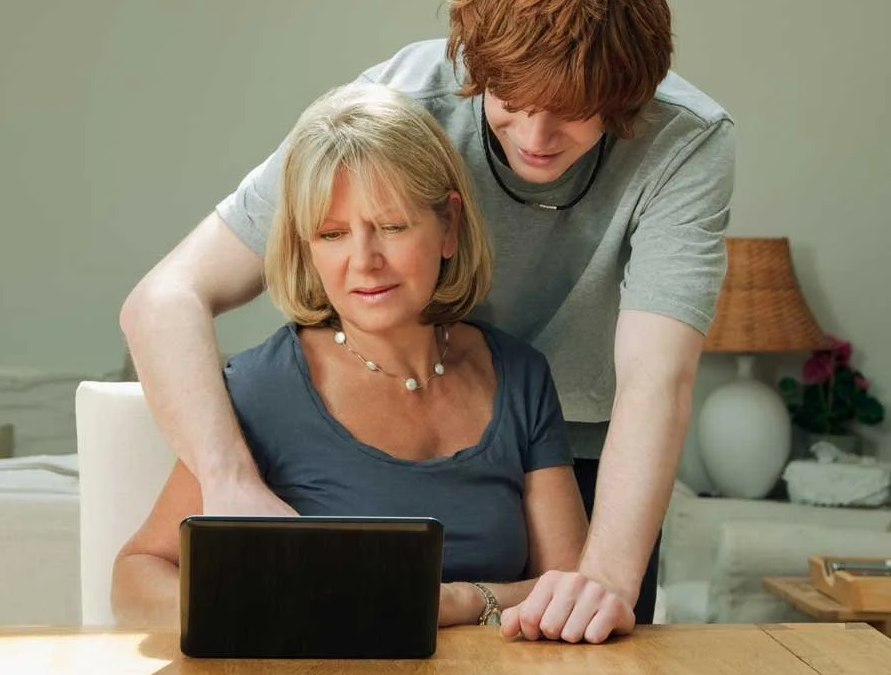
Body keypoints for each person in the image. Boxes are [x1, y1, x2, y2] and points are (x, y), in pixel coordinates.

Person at [121, 0, 734, 644]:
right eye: (513, 103)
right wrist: (230, 481)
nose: (537, 139)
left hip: (587, 446)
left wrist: (599, 582)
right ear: (476, 68)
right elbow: (166, 297)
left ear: (630, 95)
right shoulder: (396, 108)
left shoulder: (685, 143)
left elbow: (655, 379)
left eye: (574, 112)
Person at [112, 83, 588, 629]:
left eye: (391, 226)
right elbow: (136, 575)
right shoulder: (262, 391)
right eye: (333, 234)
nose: (364, 261)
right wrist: (265, 614)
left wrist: (460, 601)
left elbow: (571, 588)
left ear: (449, 226)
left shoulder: (520, 376)